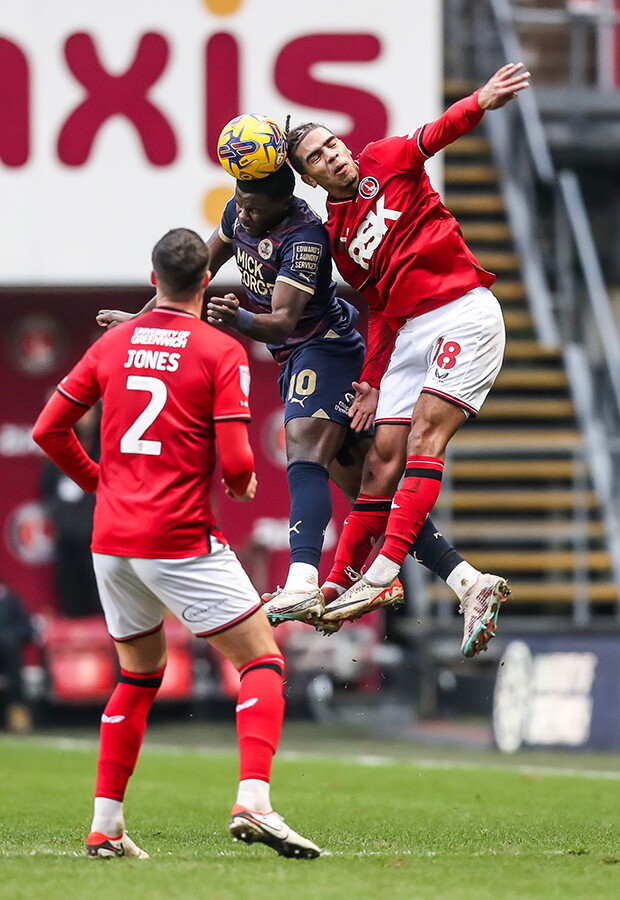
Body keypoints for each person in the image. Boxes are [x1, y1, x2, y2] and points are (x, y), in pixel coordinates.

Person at [97, 166, 508, 646]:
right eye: (240, 203)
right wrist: (140, 321)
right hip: (301, 356)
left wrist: (238, 317)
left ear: (281, 202)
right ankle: (468, 582)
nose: (244, 214)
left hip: (326, 350)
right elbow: (187, 281)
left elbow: (281, 322)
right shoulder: (238, 213)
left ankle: (301, 581)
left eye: (254, 207)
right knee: (370, 492)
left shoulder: (306, 236)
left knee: (303, 452)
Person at [32, 228, 320, 860]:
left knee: (138, 676)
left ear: (152, 275)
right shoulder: (220, 350)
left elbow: (48, 429)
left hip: (112, 540)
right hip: (176, 534)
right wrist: (242, 484)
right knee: (263, 661)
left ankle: (106, 826)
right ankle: (254, 800)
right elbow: (240, 460)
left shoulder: (112, 343)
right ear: (206, 283)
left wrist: (101, 482)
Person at [278, 63, 530, 657]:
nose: (334, 156)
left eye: (332, 144)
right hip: (410, 331)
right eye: (317, 157)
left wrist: (480, 101)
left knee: (422, 437)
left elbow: (437, 132)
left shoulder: (386, 157)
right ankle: (336, 585)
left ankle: (384, 573)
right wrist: (369, 381)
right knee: (377, 464)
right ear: (310, 178)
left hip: (463, 312)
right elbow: (381, 312)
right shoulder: (337, 236)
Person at [41, 403, 102, 617]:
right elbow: (47, 493)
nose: (86, 417)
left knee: (105, 612)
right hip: (67, 548)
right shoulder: (57, 455)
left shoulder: (106, 452)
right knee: (72, 610)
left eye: (91, 411)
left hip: (99, 547)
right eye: (82, 412)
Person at [0, 581, 34, 734]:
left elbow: (26, 628)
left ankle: (17, 717)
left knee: (15, 680)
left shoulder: (8, 599)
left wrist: (11, 638)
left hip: (9, 651)